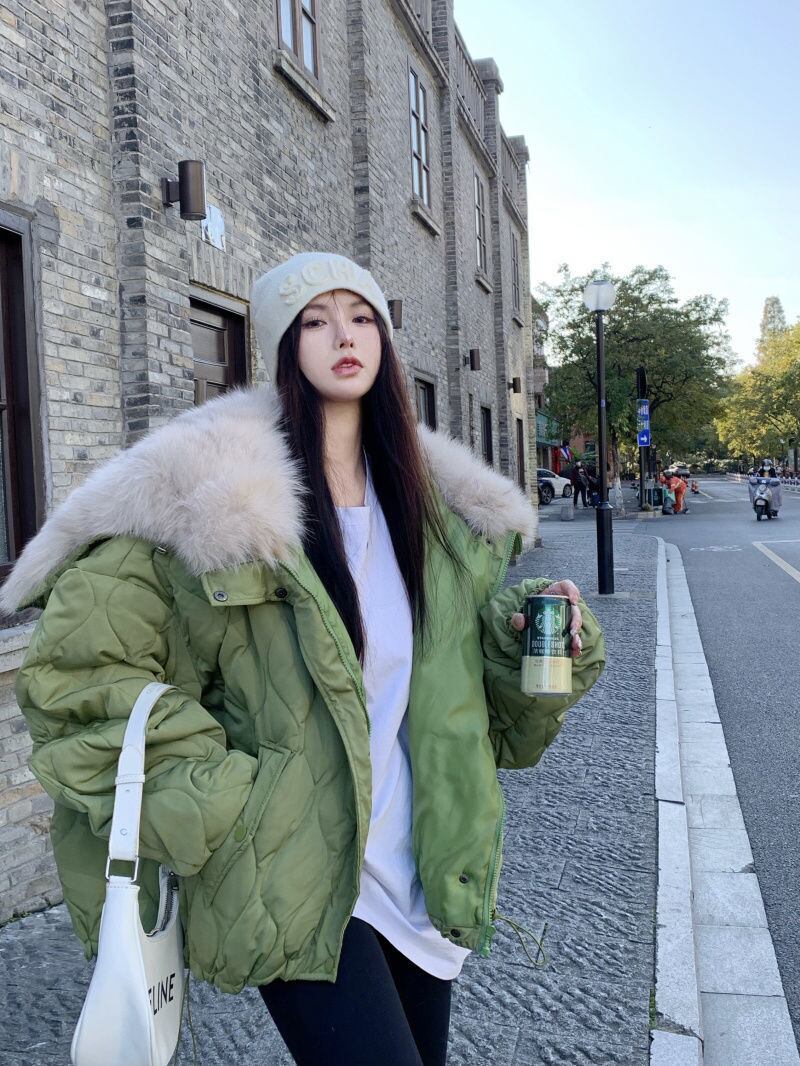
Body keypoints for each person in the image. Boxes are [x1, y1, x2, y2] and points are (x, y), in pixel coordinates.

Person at [2, 251, 605, 1066]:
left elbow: (474, 712)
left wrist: (532, 640)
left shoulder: (436, 512)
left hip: (420, 867)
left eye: (360, 318)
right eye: (315, 321)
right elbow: (80, 672)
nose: (343, 336)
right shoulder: (214, 499)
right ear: (285, 348)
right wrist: (233, 802)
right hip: (300, 871)